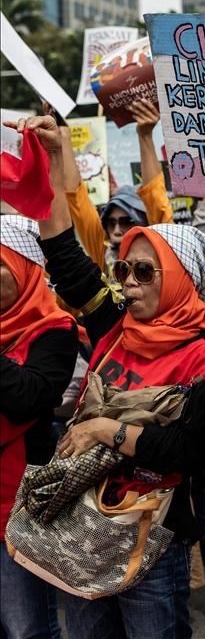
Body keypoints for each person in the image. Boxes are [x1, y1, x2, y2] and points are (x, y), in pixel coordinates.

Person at [8, 114, 205, 639]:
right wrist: (52, 159)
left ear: (179, 279)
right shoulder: (114, 327)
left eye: (144, 271)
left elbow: (186, 451)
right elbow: (66, 260)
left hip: (150, 541)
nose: (128, 282)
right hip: (79, 526)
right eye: (123, 270)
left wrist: (101, 430)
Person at [1, 216, 78, 639]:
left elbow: (28, 397)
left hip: (17, 511)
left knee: (27, 628)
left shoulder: (55, 329)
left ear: (23, 267)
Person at [57, 99, 173, 275]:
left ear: (144, 222)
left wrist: (145, 135)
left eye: (127, 221)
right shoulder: (103, 252)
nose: (117, 230)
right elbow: (77, 198)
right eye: (111, 222)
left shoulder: (162, 247)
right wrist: (63, 135)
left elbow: (154, 196)